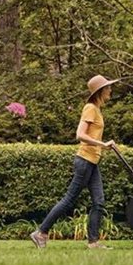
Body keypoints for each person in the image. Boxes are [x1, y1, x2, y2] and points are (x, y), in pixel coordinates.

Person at [30, 74, 119, 249]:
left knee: (99, 201)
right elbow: (80, 134)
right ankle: (41, 233)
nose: (110, 89)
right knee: (69, 199)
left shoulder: (97, 110)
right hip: (84, 160)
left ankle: (93, 242)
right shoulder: (90, 108)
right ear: (100, 91)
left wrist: (102, 148)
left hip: (92, 161)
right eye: (108, 87)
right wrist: (103, 144)